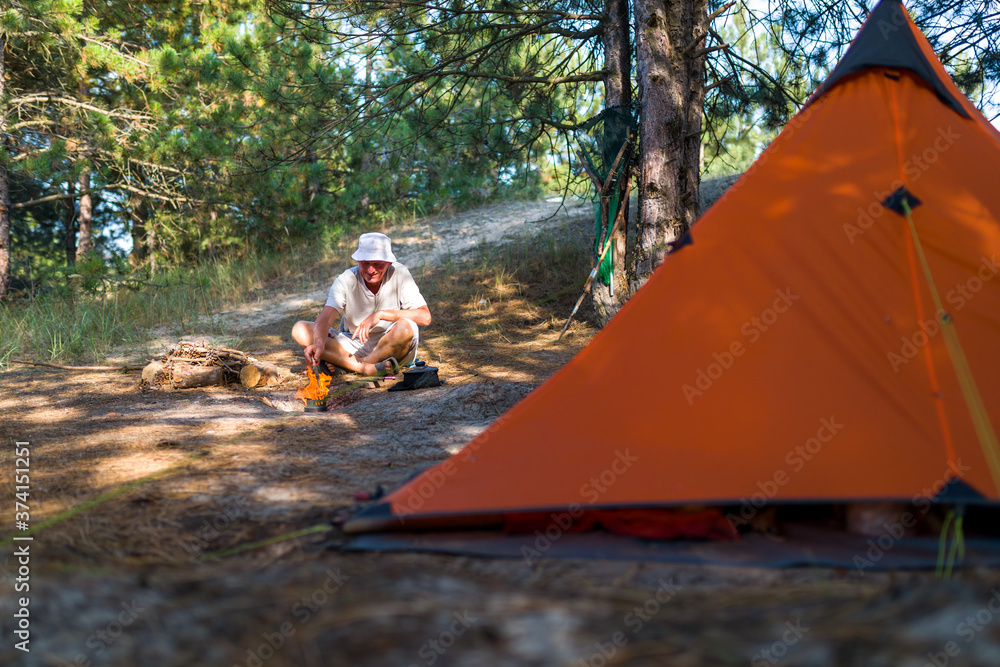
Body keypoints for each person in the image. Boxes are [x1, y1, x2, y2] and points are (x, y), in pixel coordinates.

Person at [291, 233, 431, 376]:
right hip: (354, 345)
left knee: (407, 328)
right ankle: (369, 368)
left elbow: (425, 317)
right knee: (299, 329)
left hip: (392, 344)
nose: (371, 270)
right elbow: (327, 316)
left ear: (389, 263)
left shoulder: (400, 273)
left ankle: (353, 365)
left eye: (377, 264)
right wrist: (319, 342)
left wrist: (381, 315)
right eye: (365, 263)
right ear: (358, 261)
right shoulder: (346, 279)